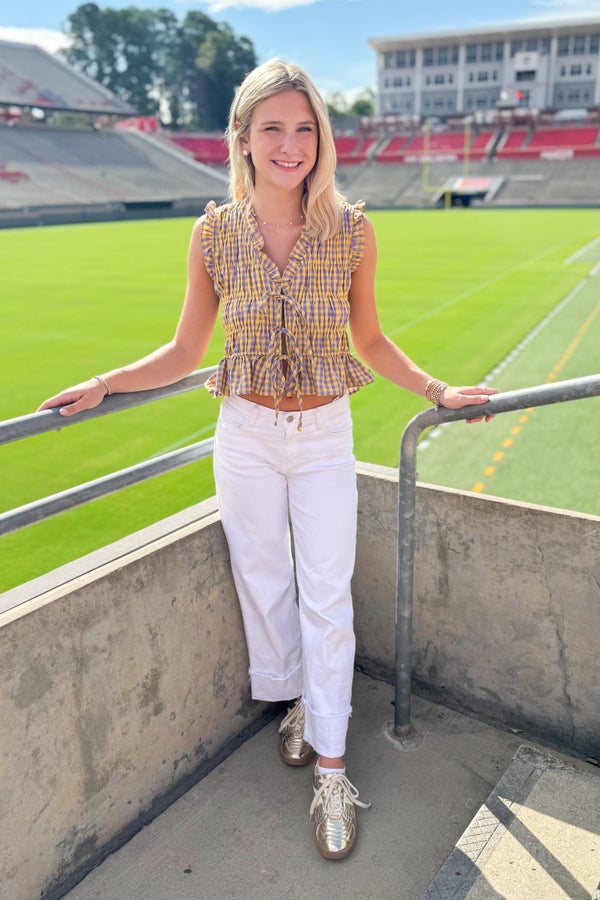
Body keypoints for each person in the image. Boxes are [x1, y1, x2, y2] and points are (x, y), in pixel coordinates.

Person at [39, 58, 496, 861]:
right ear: (243, 138)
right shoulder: (212, 233)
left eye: (305, 128)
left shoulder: (353, 230)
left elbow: (369, 339)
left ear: (321, 137)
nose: (291, 144)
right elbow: (186, 349)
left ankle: (332, 770)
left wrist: (436, 389)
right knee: (263, 579)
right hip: (245, 435)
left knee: (327, 596)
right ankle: (298, 704)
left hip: (323, 436)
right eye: (273, 128)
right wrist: (106, 384)